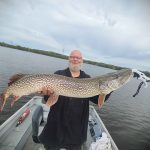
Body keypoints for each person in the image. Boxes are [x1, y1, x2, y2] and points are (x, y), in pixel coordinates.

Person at [38, 50, 111, 150]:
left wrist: (109, 88)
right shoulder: (58, 74)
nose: (75, 59)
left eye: (78, 58)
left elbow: (97, 99)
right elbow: (47, 99)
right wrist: (46, 94)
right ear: (69, 59)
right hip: (55, 127)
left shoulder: (87, 79)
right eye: (72, 57)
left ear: (82, 61)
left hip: (76, 131)